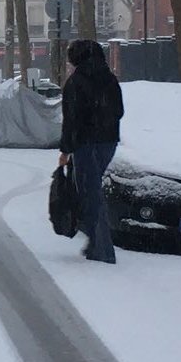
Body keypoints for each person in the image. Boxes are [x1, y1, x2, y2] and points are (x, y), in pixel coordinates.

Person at [57, 38, 125, 263]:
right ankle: (96, 243)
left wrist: (65, 151)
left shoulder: (76, 83)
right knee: (92, 190)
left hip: (85, 144)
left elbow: (71, 121)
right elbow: (119, 111)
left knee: (92, 194)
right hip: (108, 142)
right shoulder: (109, 79)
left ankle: (103, 250)